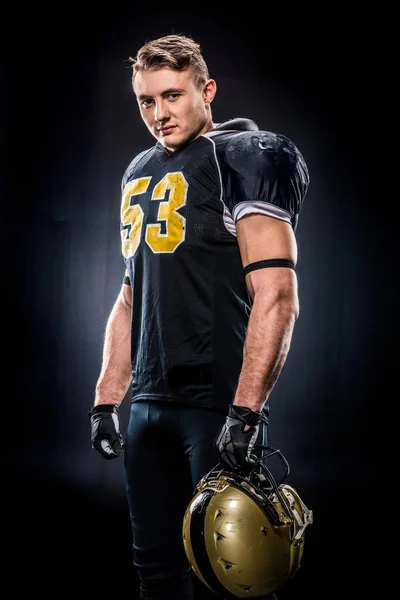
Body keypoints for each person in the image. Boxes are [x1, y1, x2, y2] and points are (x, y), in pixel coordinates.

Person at [89, 33, 310, 600]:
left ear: (206, 91)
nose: (159, 114)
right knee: (154, 571)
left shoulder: (242, 155)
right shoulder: (140, 169)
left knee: (237, 578)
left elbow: (277, 294)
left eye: (172, 96)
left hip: (215, 405)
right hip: (149, 403)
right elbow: (129, 295)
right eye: (146, 101)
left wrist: (245, 412)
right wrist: (107, 398)